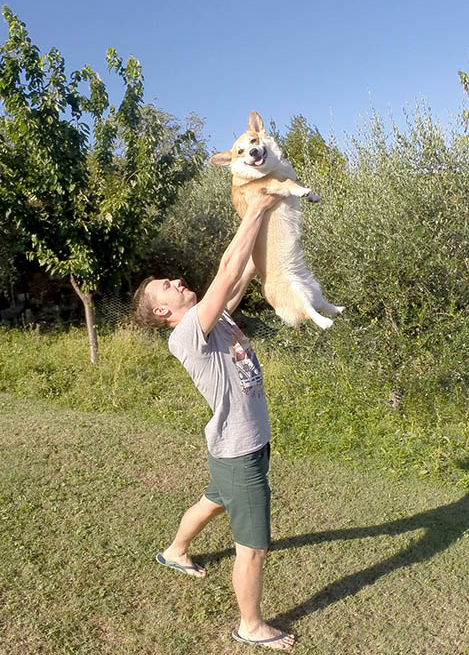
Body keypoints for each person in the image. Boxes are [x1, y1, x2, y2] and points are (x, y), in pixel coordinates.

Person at [131, 193, 295, 651]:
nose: (177, 280)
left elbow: (240, 272)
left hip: (240, 444)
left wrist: (262, 220)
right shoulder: (187, 333)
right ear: (163, 312)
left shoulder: (213, 317)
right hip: (238, 450)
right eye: (166, 284)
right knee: (254, 547)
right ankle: (251, 626)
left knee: (212, 502)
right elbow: (225, 273)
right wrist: (259, 208)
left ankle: (174, 552)